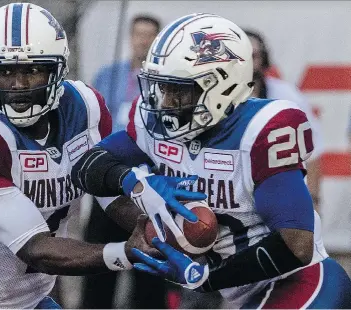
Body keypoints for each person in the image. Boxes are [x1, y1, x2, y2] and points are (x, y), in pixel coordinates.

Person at [0, 4, 185, 309]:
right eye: (5, 70)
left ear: (57, 70)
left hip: (28, 300)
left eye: (33, 69)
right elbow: (35, 248)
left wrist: (156, 228)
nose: (18, 85)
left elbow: (108, 196)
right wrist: (125, 253)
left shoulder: (85, 107)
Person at [71, 13, 351, 308]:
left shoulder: (261, 129)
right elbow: (88, 165)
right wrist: (135, 183)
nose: (164, 101)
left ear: (221, 86)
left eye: (178, 90)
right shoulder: (154, 122)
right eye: (161, 87)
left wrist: (206, 279)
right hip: (243, 293)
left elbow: (297, 245)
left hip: (300, 283)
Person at [82, 15, 168, 309]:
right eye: (138, 34)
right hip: (109, 181)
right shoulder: (109, 75)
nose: (143, 41)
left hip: (149, 182)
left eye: (149, 36)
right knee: (99, 263)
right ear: (130, 37)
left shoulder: (165, 81)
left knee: (150, 268)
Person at [245, 29, 325, 208]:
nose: (248, 64)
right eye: (242, 57)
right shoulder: (219, 98)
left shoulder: (286, 95)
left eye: (254, 56)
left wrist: (314, 202)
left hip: (280, 194)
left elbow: (313, 150)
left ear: (264, 59)